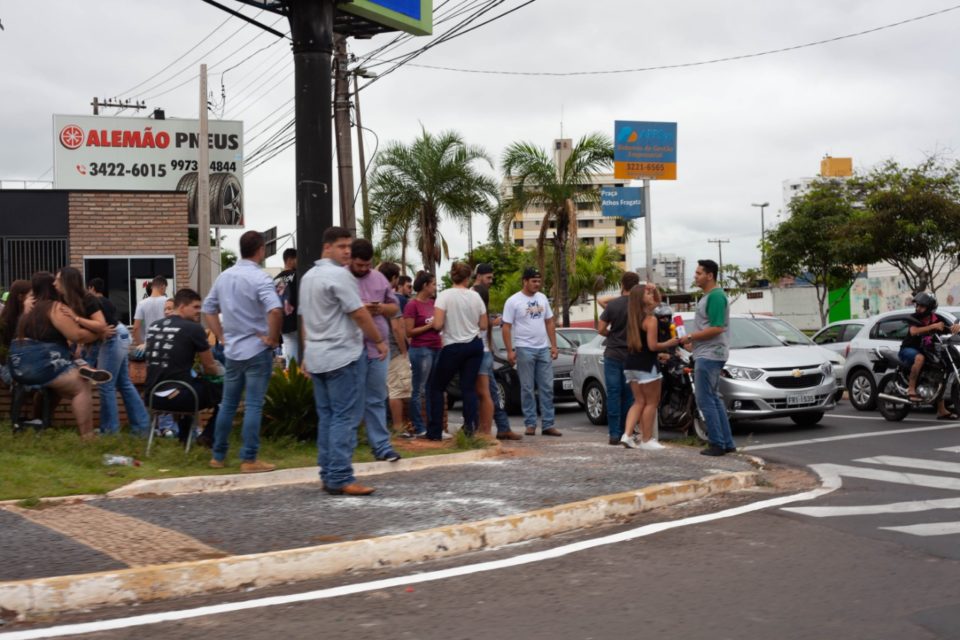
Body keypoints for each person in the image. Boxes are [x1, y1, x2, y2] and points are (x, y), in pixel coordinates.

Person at [301, 226, 386, 496]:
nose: (347, 251)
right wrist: (378, 340)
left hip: (317, 355)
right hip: (342, 355)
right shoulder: (340, 275)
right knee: (345, 417)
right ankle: (340, 476)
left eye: (349, 246)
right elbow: (359, 314)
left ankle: (328, 473)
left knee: (327, 416)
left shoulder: (308, 276)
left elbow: (304, 319)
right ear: (327, 247)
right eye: (341, 246)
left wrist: (306, 351)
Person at [203, 230, 282, 473]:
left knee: (228, 404)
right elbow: (276, 310)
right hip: (257, 349)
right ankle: (249, 459)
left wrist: (223, 336)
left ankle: (218, 456)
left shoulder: (225, 276)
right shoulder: (261, 278)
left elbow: (208, 309)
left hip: (233, 349)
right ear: (260, 250)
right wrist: (272, 338)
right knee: (253, 405)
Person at [8, 272, 99, 439]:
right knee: (81, 386)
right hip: (41, 366)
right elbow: (76, 335)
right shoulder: (53, 307)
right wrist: (98, 334)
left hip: (18, 369)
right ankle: (88, 436)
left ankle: (40, 421)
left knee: (55, 386)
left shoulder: (27, 311)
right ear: (52, 287)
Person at [145, 288, 224, 444]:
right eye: (195, 307)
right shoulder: (194, 328)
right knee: (229, 394)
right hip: (180, 397)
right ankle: (208, 436)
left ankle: (185, 439)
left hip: (151, 396)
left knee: (190, 381)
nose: (199, 311)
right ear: (181, 307)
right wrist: (223, 375)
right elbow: (209, 366)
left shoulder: (154, 326)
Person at [349, 239, 402, 462]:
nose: (363, 269)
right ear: (351, 259)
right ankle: (347, 448)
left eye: (367, 265)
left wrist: (380, 308)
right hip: (351, 347)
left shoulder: (379, 278)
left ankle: (381, 447)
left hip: (378, 349)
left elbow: (394, 307)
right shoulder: (341, 278)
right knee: (351, 400)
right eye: (359, 265)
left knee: (377, 398)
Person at [681, 259, 736, 456]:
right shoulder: (709, 297)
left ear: (710, 275)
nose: (695, 277)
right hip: (708, 352)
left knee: (705, 400)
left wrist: (690, 336)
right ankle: (726, 442)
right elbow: (709, 328)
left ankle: (717, 443)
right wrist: (693, 342)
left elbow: (717, 327)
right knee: (714, 399)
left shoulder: (715, 297)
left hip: (710, 355)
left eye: (698, 273)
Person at [426, 262, 487, 440]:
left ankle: (435, 431)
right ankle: (469, 430)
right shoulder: (476, 297)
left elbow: (437, 325)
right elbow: (483, 325)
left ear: (452, 276)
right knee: (468, 388)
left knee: (437, 387)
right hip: (474, 345)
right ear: (468, 278)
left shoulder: (444, 296)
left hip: (452, 345)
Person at [86, 277, 150, 436]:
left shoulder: (91, 302)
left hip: (112, 337)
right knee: (124, 383)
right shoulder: (107, 302)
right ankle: (142, 427)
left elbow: (100, 328)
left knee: (106, 384)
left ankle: (109, 430)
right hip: (123, 335)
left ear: (91, 288)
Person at [502, 267, 561, 437]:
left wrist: (554, 345)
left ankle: (548, 424)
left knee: (547, 387)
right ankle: (530, 423)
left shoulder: (542, 298)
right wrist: (509, 350)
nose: (537, 284)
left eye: (539, 281)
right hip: (524, 348)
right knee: (527, 388)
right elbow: (506, 327)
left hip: (543, 348)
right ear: (525, 281)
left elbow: (549, 322)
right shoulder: (513, 301)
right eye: (534, 281)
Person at [621, 285, 680, 450]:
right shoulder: (651, 320)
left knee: (638, 401)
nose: (651, 295)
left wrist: (653, 289)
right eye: (647, 293)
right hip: (647, 365)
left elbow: (658, 301)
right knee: (652, 403)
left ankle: (627, 435)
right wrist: (669, 343)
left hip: (631, 363)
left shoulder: (633, 317)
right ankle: (646, 440)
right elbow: (653, 346)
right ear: (641, 299)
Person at [899, 291, 960, 417]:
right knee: (919, 358)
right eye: (917, 305)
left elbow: (949, 328)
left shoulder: (936, 318)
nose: (918, 308)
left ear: (929, 307)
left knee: (940, 371)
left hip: (928, 350)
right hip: (909, 349)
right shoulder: (914, 317)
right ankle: (911, 389)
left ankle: (941, 410)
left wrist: (956, 327)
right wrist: (933, 327)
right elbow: (914, 331)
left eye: (921, 306)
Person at [598, 272, 641, 445]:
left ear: (622, 284)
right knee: (629, 396)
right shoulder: (640, 306)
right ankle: (626, 432)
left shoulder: (613, 305)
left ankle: (613, 434)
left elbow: (601, 329)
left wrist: (612, 335)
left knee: (613, 394)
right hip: (632, 355)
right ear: (637, 286)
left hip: (613, 354)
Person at [404, 271, 442, 439]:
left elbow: (439, 324)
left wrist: (439, 325)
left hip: (436, 347)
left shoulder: (434, 303)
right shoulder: (412, 305)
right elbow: (409, 331)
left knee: (433, 388)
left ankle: (434, 426)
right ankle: (419, 426)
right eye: (433, 284)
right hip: (421, 349)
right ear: (425, 285)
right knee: (419, 389)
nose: (435, 287)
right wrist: (430, 326)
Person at [378, 261, 413, 437]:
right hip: (393, 350)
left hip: (377, 350)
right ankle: (399, 427)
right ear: (393, 278)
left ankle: (385, 426)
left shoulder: (373, 294)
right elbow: (397, 328)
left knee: (383, 391)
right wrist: (404, 350)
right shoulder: (390, 298)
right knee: (397, 391)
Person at [274, 248, 299, 366]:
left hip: (283, 322)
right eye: (296, 259)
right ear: (289, 260)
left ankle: (291, 378)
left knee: (291, 355)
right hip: (298, 320)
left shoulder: (275, 280)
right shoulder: (297, 275)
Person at [132, 275, 168, 345]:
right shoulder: (168, 302)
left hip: (148, 344)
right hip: (165, 343)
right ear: (163, 287)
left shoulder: (141, 304)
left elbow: (136, 328)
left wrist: (141, 345)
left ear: (152, 287)